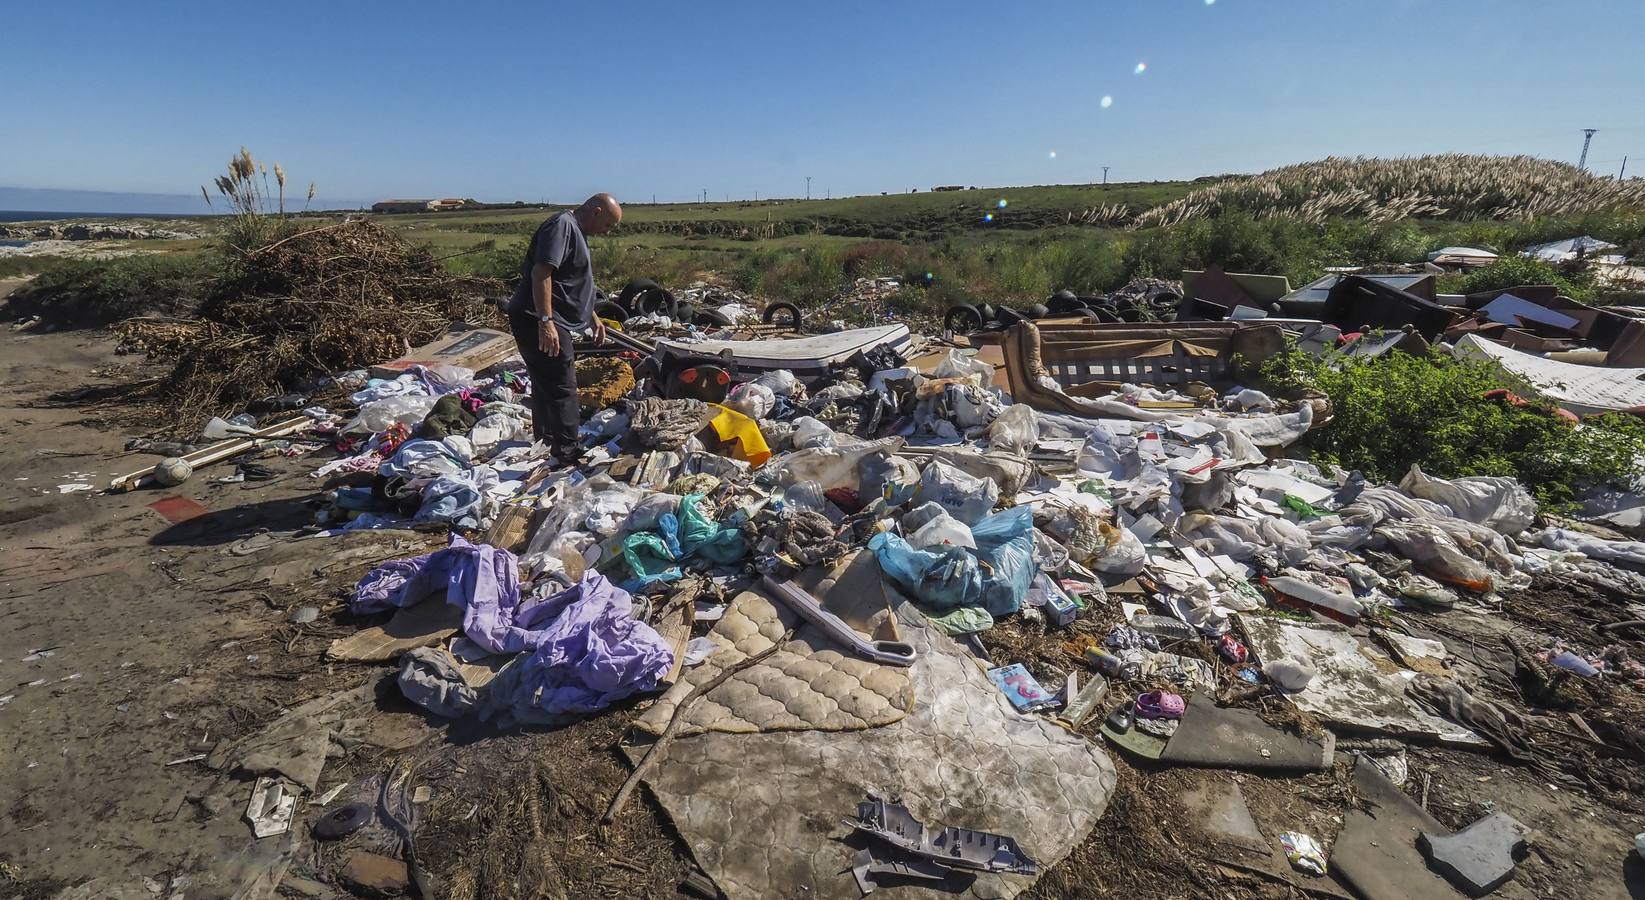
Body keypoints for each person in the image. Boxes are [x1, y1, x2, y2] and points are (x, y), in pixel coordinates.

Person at [506, 193, 622, 462]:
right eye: (607, 225)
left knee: (546, 381)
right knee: (562, 383)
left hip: (546, 316)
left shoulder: (574, 230)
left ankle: (546, 441)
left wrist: (592, 317)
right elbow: (542, 274)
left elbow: (568, 281)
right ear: (595, 211)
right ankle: (568, 451)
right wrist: (545, 322)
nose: (606, 232)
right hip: (539, 317)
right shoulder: (562, 226)